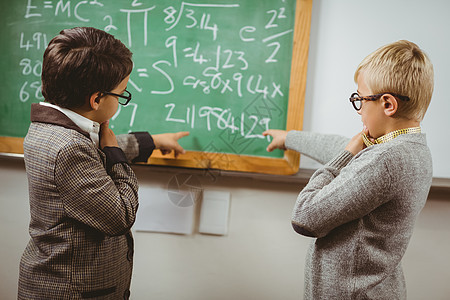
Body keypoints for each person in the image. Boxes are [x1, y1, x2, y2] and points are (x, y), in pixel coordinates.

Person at [18, 27, 189, 299]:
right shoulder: (69, 149)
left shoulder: (52, 127)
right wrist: (116, 155)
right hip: (71, 291)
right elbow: (121, 215)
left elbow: (93, 151)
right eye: (121, 94)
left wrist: (151, 141)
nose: (121, 99)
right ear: (96, 99)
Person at [264, 40, 434, 299]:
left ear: (388, 104)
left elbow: (305, 216)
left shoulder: (385, 160)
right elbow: (349, 153)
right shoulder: (411, 147)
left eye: (361, 99)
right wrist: (290, 138)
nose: (359, 110)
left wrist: (346, 154)